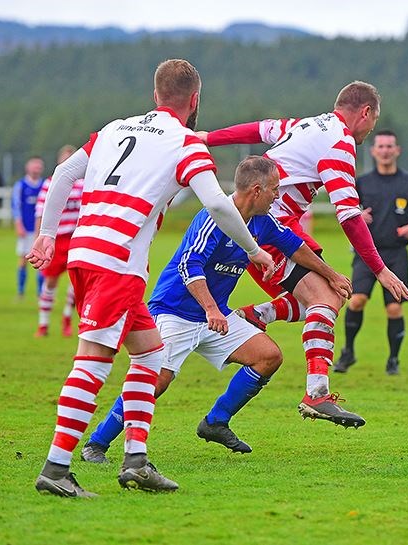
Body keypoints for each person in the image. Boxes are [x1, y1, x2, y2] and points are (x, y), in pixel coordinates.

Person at [27, 58, 274, 498]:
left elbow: (64, 174)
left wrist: (47, 236)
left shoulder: (112, 129)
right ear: (195, 100)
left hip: (87, 252)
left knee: (148, 354)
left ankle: (136, 461)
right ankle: (56, 468)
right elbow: (218, 206)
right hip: (117, 263)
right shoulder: (185, 143)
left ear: (154, 94)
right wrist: (254, 251)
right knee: (93, 362)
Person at [80, 156, 353, 463]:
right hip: (175, 311)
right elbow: (189, 264)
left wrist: (331, 275)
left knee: (268, 357)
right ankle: (97, 443)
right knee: (156, 380)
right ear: (256, 190)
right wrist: (211, 310)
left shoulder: (263, 221)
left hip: (215, 314)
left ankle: (215, 422)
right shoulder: (214, 215)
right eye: (275, 189)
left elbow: (294, 246)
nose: (278, 195)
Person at [199, 81, 408, 427]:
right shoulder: (339, 143)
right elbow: (349, 216)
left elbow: (256, 129)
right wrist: (381, 270)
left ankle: (258, 316)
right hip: (269, 230)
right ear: (366, 112)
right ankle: (316, 393)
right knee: (327, 296)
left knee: (332, 295)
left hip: (269, 228)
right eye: (374, 121)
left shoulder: (306, 124)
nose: (371, 130)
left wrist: (208, 137)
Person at [334, 130, 408, 376]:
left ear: (397, 151)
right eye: (381, 146)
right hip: (367, 253)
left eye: (390, 146)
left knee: (394, 308)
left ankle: (393, 360)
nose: (385, 150)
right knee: (356, 300)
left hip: (396, 254)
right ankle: (348, 352)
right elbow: (347, 209)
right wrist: (358, 215)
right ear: (374, 151)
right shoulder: (362, 182)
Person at [33, 145, 83, 338]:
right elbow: (40, 211)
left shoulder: (82, 184)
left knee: (76, 281)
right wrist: (39, 236)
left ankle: (67, 318)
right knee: (51, 280)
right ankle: (43, 324)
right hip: (56, 238)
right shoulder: (50, 182)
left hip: (74, 238)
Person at [12, 156, 45, 300]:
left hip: (41, 231)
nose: (36, 168)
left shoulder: (44, 185)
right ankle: (20, 292)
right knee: (23, 259)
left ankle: (41, 293)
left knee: (42, 261)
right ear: (28, 167)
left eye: (39, 166)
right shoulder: (21, 185)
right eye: (34, 165)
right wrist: (18, 225)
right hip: (26, 230)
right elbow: (16, 207)